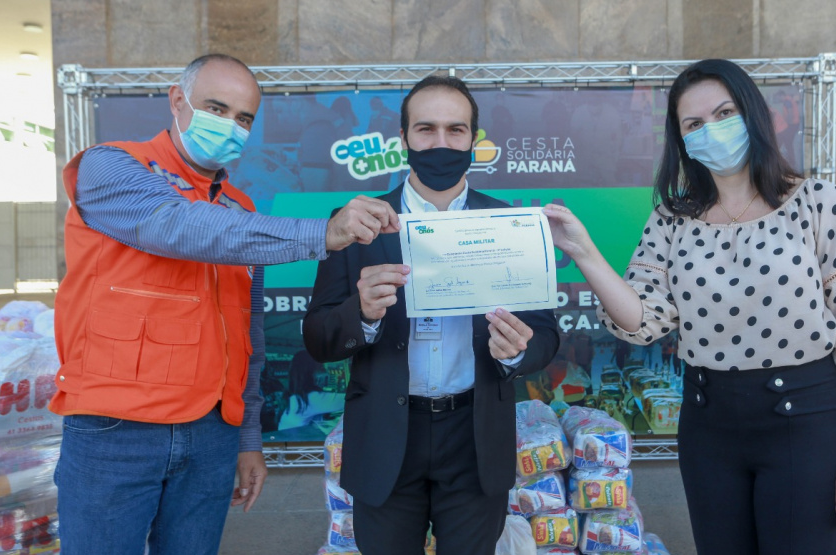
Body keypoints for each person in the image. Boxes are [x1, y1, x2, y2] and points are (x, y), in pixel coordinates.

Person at [50, 53, 400, 555]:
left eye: (243, 119)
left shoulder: (240, 209)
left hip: (213, 432)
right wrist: (324, 231)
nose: (229, 127)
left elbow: (248, 335)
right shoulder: (109, 166)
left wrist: (248, 439)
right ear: (177, 100)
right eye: (216, 108)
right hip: (117, 430)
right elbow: (178, 227)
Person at [543, 59, 836, 554]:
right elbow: (642, 320)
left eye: (725, 113)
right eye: (694, 124)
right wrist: (583, 251)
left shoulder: (819, 202)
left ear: (753, 114)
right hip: (710, 428)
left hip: (806, 423)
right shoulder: (672, 219)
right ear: (681, 140)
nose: (713, 130)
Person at [303, 75, 560, 555]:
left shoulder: (509, 224)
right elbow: (317, 338)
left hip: (475, 437)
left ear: (474, 141)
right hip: (384, 438)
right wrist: (360, 313)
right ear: (403, 139)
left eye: (455, 130)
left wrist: (518, 352)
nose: (440, 142)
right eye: (426, 129)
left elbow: (546, 334)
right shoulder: (358, 222)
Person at [277, 349, 345, 432]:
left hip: (287, 437)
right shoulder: (312, 398)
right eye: (321, 368)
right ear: (310, 372)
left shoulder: (295, 396)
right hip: (295, 439)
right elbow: (349, 399)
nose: (326, 373)